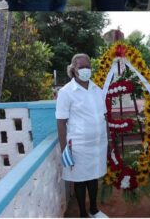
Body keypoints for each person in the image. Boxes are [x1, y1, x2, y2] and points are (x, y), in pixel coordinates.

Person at [56, 53, 108, 218]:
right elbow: (61, 122)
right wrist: (65, 149)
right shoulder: (66, 92)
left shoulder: (97, 90)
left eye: (88, 66)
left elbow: (103, 117)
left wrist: (108, 140)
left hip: (97, 144)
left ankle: (94, 209)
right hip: (78, 145)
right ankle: (83, 214)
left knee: (93, 177)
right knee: (79, 179)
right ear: (74, 70)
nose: (86, 70)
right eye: (81, 67)